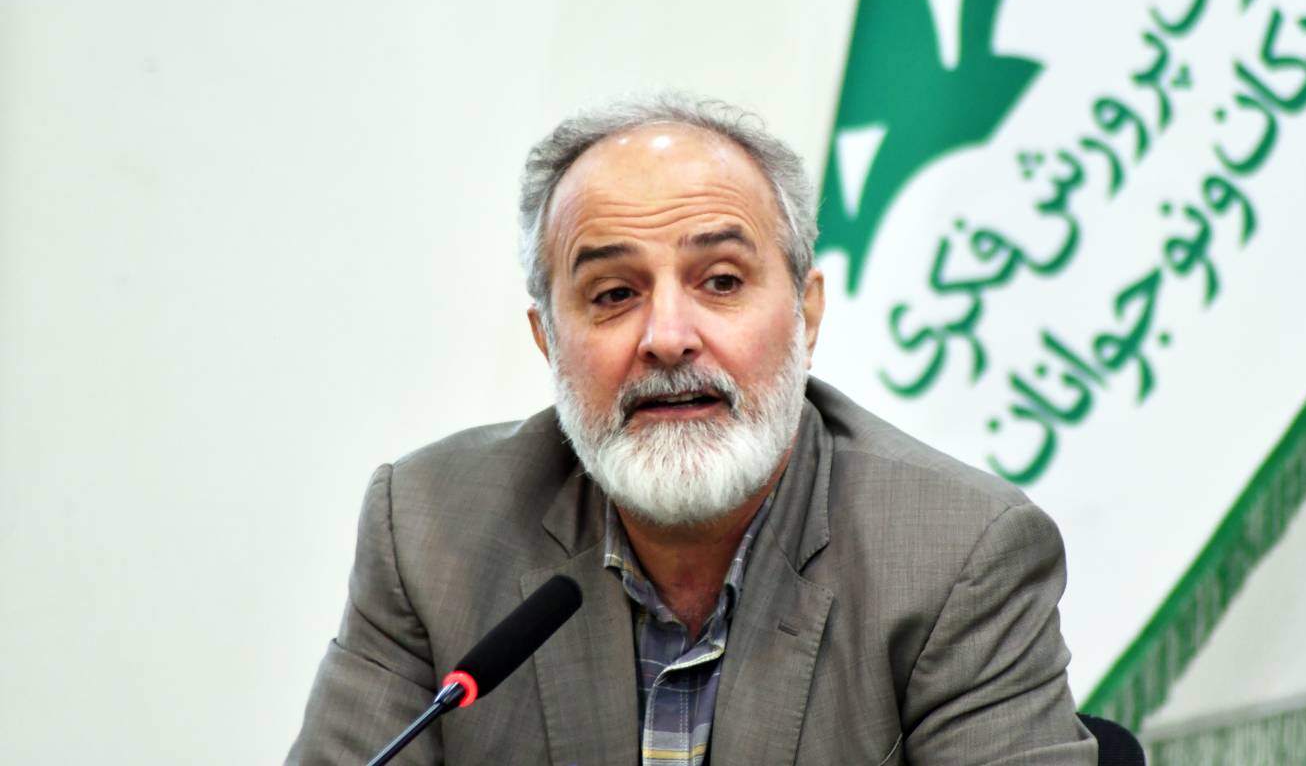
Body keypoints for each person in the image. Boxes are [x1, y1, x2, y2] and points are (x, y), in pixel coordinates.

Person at [287, 95, 1096, 765]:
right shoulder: (430, 528)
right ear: (548, 342)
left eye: (721, 281)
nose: (668, 337)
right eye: (613, 295)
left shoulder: (957, 556)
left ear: (807, 315)